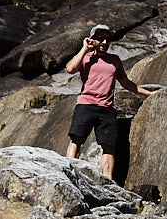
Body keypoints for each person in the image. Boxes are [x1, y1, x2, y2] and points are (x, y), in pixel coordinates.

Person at [65, 24, 156, 179]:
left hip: (107, 108)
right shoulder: (86, 57)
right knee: (76, 139)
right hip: (86, 104)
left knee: (109, 146)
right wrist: (84, 49)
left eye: (107, 39)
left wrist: (150, 94)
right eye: (100, 39)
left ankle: (109, 182)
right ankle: (68, 174)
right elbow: (70, 69)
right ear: (92, 40)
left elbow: (126, 83)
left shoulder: (114, 60)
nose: (104, 42)